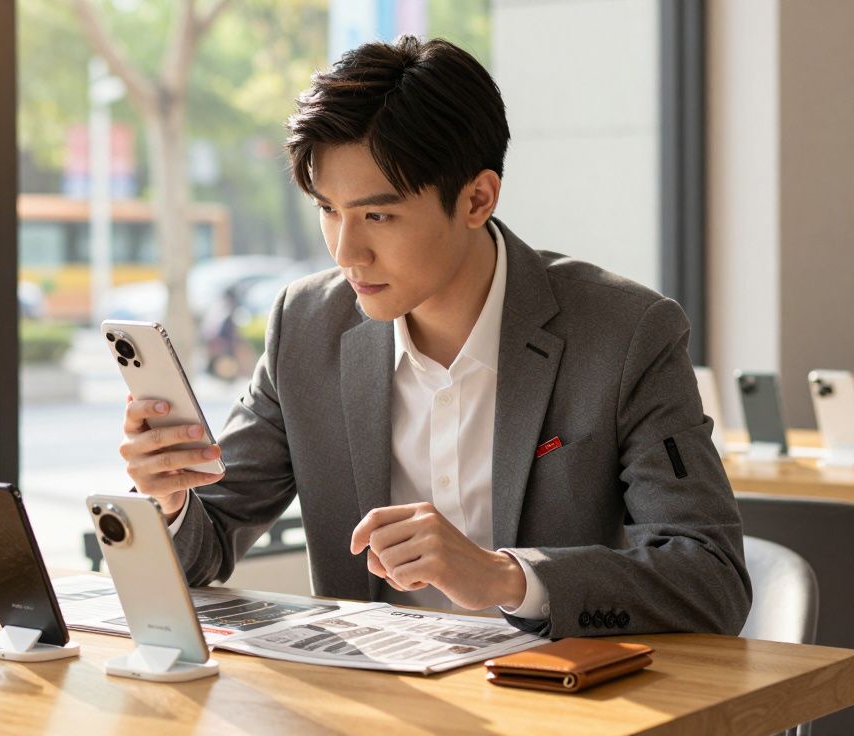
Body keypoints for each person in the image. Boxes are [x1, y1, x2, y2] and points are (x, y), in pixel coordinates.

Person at [116, 36, 750, 638]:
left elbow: (709, 577)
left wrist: (505, 577)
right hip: (372, 697)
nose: (346, 252)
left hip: (555, 692)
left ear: (477, 199)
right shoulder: (306, 327)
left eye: (378, 214)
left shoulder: (625, 334)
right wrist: (169, 499)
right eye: (328, 210)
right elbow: (205, 544)